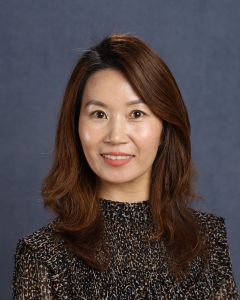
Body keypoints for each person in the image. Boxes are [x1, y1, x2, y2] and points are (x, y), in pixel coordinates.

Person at [13, 33, 239, 299]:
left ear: (165, 127)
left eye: (137, 114)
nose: (116, 136)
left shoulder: (206, 241)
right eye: (99, 114)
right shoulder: (42, 256)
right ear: (75, 126)